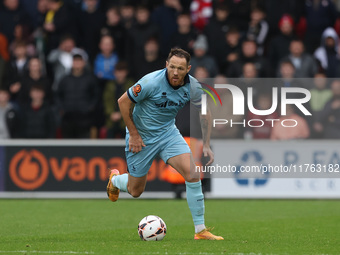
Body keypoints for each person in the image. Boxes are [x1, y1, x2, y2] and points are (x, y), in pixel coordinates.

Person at [107, 48, 223, 240]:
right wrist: (134, 135)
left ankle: (200, 230)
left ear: (188, 69)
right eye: (172, 67)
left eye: (180, 68)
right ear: (166, 65)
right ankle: (116, 180)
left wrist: (208, 144)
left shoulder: (193, 86)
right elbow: (123, 102)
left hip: (168, 134)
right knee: (136, 191)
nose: (175, 72)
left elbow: (205, 112)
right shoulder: (150, 82)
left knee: (193, 173)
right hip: (141, 136)